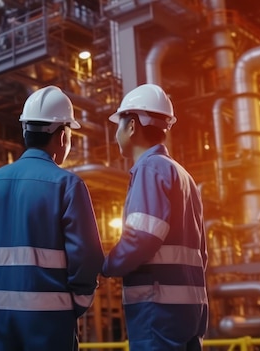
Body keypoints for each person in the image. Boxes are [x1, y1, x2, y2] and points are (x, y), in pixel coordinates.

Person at [0, 85, 104, 351]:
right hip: (50, 317)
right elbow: (88, 257)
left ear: (25, 131)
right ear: (62, 137)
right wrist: (79, 303)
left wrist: (9, 276)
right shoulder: (67, 184)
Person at [102, 83, 208, 350]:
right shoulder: (182, 175)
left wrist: (105, 265)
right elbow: (201, 253)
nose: (116, 133)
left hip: (159, 307)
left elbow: (142, 237)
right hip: (191, 308)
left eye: (119, 124)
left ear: (132, 126)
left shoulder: (150, 168)